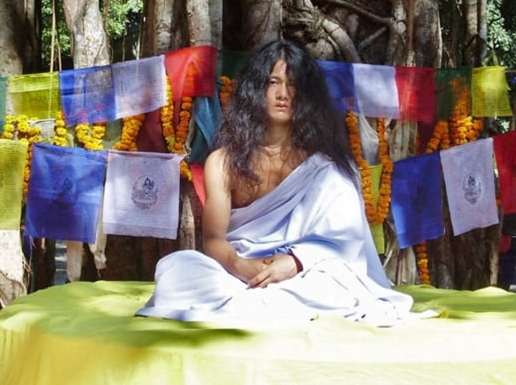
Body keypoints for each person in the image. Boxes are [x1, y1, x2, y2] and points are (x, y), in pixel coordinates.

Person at [136, 40, 412, 326]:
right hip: (238, 275)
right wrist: (240, 266)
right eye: (273, 82)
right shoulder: (222, 161)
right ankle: (268, 306)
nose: (283, 94)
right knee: (177, 269)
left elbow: (344, 240)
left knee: (336, 282)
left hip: (303, 274)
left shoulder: (327, 167)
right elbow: (214, 239)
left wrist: (294, 263)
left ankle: (251, 307)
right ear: (256, 89)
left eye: (292, 85)